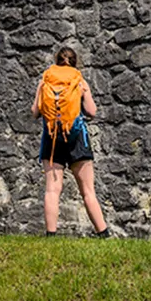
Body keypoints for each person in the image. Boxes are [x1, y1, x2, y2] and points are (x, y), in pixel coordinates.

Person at [31, 46, 110, 237]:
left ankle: (51, 235)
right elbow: (92, 112)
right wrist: (85, 92)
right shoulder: (79, 80)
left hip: (52, 138)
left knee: (52, 190)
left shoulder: (46, 80)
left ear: (56, 60)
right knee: (88, 191)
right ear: (75, 61)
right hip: (77, 138)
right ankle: (103, 234)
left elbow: (35, 112)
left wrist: (39, 91)